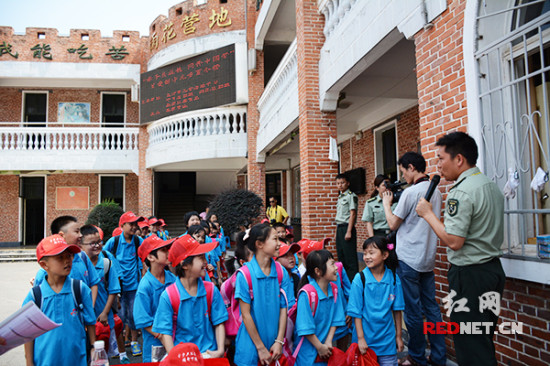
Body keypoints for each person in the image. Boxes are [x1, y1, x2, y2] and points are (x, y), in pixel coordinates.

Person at [416, 132, 506, 366]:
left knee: (470, 347)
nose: (438, 165)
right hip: (492, 272)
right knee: (482, 340)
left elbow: (454, 241)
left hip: (470, 276)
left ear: (458, 159)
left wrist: (428, 214)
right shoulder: (490, 185)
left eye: (440, 159)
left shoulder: (461, 191)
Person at [382, 152, 446, 366]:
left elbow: (393, 224)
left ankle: (417, 356)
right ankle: (438, 356)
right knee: (432, 309)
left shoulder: (411, 193)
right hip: (427, 258)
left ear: (410, 167)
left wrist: (386, 204)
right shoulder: (435, 192)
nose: (403, 176)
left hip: (409, 259)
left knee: (413, 311)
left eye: (402, 171)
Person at [23, 235, 96, 366]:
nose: (67, 261)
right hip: (45, 361)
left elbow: (90, 322)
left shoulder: (80, 289)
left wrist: (94, 349)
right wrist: (29, 362)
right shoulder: (36, 296)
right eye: (60, 258)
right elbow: (28, 333)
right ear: (44, 265)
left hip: (76, 360)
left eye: (69, 256)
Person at [153, 235, 227, 356]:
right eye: (200, 257)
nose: (205, 262)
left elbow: (219, 322)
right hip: (182, 356)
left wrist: (220, 350)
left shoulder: (211, 290)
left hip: (209, 353)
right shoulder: (169, 295)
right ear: (184, 264)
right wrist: (174, 357)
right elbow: (165, 332)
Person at [234, 223, 295, 366]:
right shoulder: (245, 275)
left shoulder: (281, 272)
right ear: (259, 244)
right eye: (275, 239)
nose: (279, 244)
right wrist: (260, 348)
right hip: (251, 347)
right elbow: (246, 314)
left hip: (275, 346)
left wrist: (280, 341)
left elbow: (283, 309)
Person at [348, 236, 404, 366]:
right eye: (365, 253)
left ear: (385, 255)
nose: (366, 257)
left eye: (371, 253)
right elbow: (356, 313)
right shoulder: (360, 279)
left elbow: (397, 310)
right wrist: (360, 339)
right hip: (365, 343)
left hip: (387, 343)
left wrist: (399, 336)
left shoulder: (394, 279)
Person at [78, 225, 126, 363]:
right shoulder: (76, 265)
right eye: (92, 243)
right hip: (83, 320)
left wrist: (105, 312)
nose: (97, 245)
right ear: (80, 245)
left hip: (103, 319)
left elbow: (113, 291)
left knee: (103, 355)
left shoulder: (106, 263)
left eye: (99, 242)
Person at [33, 216, 100, 307]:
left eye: (69, 257)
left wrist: (89, 308)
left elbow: (93, 283)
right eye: (76, 231)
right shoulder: (44, 273)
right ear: (61, 235)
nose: (81, 235)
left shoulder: (82, 257)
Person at [294, 249, 346, 366]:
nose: (336, 267)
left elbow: (336, 319)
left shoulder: (335, 289)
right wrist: (319, 347)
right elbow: (305, 328)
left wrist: (328, 341)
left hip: (325, 352)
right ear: (318, 271)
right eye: (332, 264)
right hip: (307, 356)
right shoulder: (307, 294)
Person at [103, 211, 145, 357]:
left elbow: (144, 257)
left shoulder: (138, 241)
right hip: (117, 288)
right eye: (131, 224)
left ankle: (134, 342)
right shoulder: (113, 242)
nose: (134, 227)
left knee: (134, 316)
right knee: (119, 319)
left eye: (136, 224)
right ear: (122, 225)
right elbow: (103, 256)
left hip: (134, 286)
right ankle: (118, 347)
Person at [134, 234, 177, 362]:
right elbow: (143, 319)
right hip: (155, 343)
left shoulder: (172, 279)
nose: (167, 252)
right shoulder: (145, 286)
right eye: (163, 250)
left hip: (175, 337)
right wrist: (163, 336)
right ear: (151, 257)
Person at [335, 173, 359, 281]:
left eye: (342, 183)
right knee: (341, 257)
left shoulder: (351, 196)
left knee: (350, 258)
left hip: (347, 228)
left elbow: (352, 214)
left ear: (348, 183)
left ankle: (353, 283)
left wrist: (349, 231)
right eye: (338, 183)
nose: (340, 185)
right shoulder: (340, 197)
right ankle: (344, 282)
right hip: (340, 228)